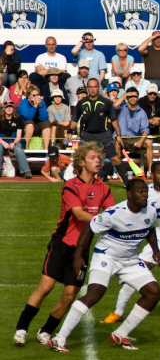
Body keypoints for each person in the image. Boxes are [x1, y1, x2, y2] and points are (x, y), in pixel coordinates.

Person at [13, 143, 113, 346]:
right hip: (62, 244)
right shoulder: (70, 186)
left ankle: (46, 331)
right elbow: (78, 213)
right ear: (82, 161)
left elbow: (112, 214)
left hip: (82, 249)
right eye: (93, 158)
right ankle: (22, 328)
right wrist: (103, 221)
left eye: (99, 158)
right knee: (46, 287)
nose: (97, 161)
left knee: (69, 295)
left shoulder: (104, 188)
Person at [48, 179, 160, 353]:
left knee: (154, 293)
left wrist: (156, 251)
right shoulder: (114, 213)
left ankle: (121, 333)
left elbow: (149, 229)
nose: (145, 194)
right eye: (140, 192)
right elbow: (89, 228)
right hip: (106, 256)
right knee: (95, 293)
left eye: (146, 191)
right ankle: (59, 338)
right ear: (129, 194)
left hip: (129, 260)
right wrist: (78, 255)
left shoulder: (151, 211)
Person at [102, 163, 160, 327]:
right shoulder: (146, 193)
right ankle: (118, 312)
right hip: (158, 236)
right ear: (152, 175)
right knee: (137, 272)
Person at [71, 77, 130, 185]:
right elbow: (74, 119)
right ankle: (79, 183)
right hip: (87, 135)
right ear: (87, 88)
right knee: (79, 160)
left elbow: (114, 119)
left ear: (98, 88)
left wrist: (119, 135)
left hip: (104, 135)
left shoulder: (106, 102)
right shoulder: (81, 103)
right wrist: (69, 132)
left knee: (116, 159)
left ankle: (127, 183)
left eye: (95, 87)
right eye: (90, 87)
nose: (92, 89)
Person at [114, 87, 153, 173]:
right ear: (127, 98)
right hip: (121, 137)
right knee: (117, 142)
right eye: (130, 96)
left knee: (149, 142)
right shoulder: (121, 108)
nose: (132, 98)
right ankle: (118, 171)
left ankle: (150, 171)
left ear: (138, 98)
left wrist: (141, 141)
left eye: (134, 96)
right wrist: (125, 95)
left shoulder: (142, 112)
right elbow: (114, 106)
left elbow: (145, 129)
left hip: (134, 139)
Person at [0, 100, 31, 178]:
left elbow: (18, 136)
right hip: (2, 140)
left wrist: (13, 143)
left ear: (13, 108)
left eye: (10, 107)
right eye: (7, 107)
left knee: (18, 149)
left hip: (15, 139)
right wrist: (4, 143)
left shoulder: (18, 119)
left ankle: (26, 171)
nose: (9, 109)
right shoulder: (0, 119)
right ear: (4, 108)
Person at [138, 84, 160, 158]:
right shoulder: (141, 101)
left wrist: (159, 119)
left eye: (154, 94)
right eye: (150, 93)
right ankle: (138, 150)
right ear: (147, 93)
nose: (152, 95)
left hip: (157, 126)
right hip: (145, 127)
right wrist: (149, 120)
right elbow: (138, 117)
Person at [18, 86, 52, 150]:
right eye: (34, 95)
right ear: (28, 96)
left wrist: (40, 106)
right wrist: (35, 106)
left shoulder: (42, 103)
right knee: (30, 124)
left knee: (47, 124)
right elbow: (28, 117)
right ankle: (26, 147)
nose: (36, 97)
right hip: (25, 126)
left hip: (37, 126)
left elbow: (44, 118)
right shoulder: (23, 103)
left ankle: (46, 150)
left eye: (38, 95)